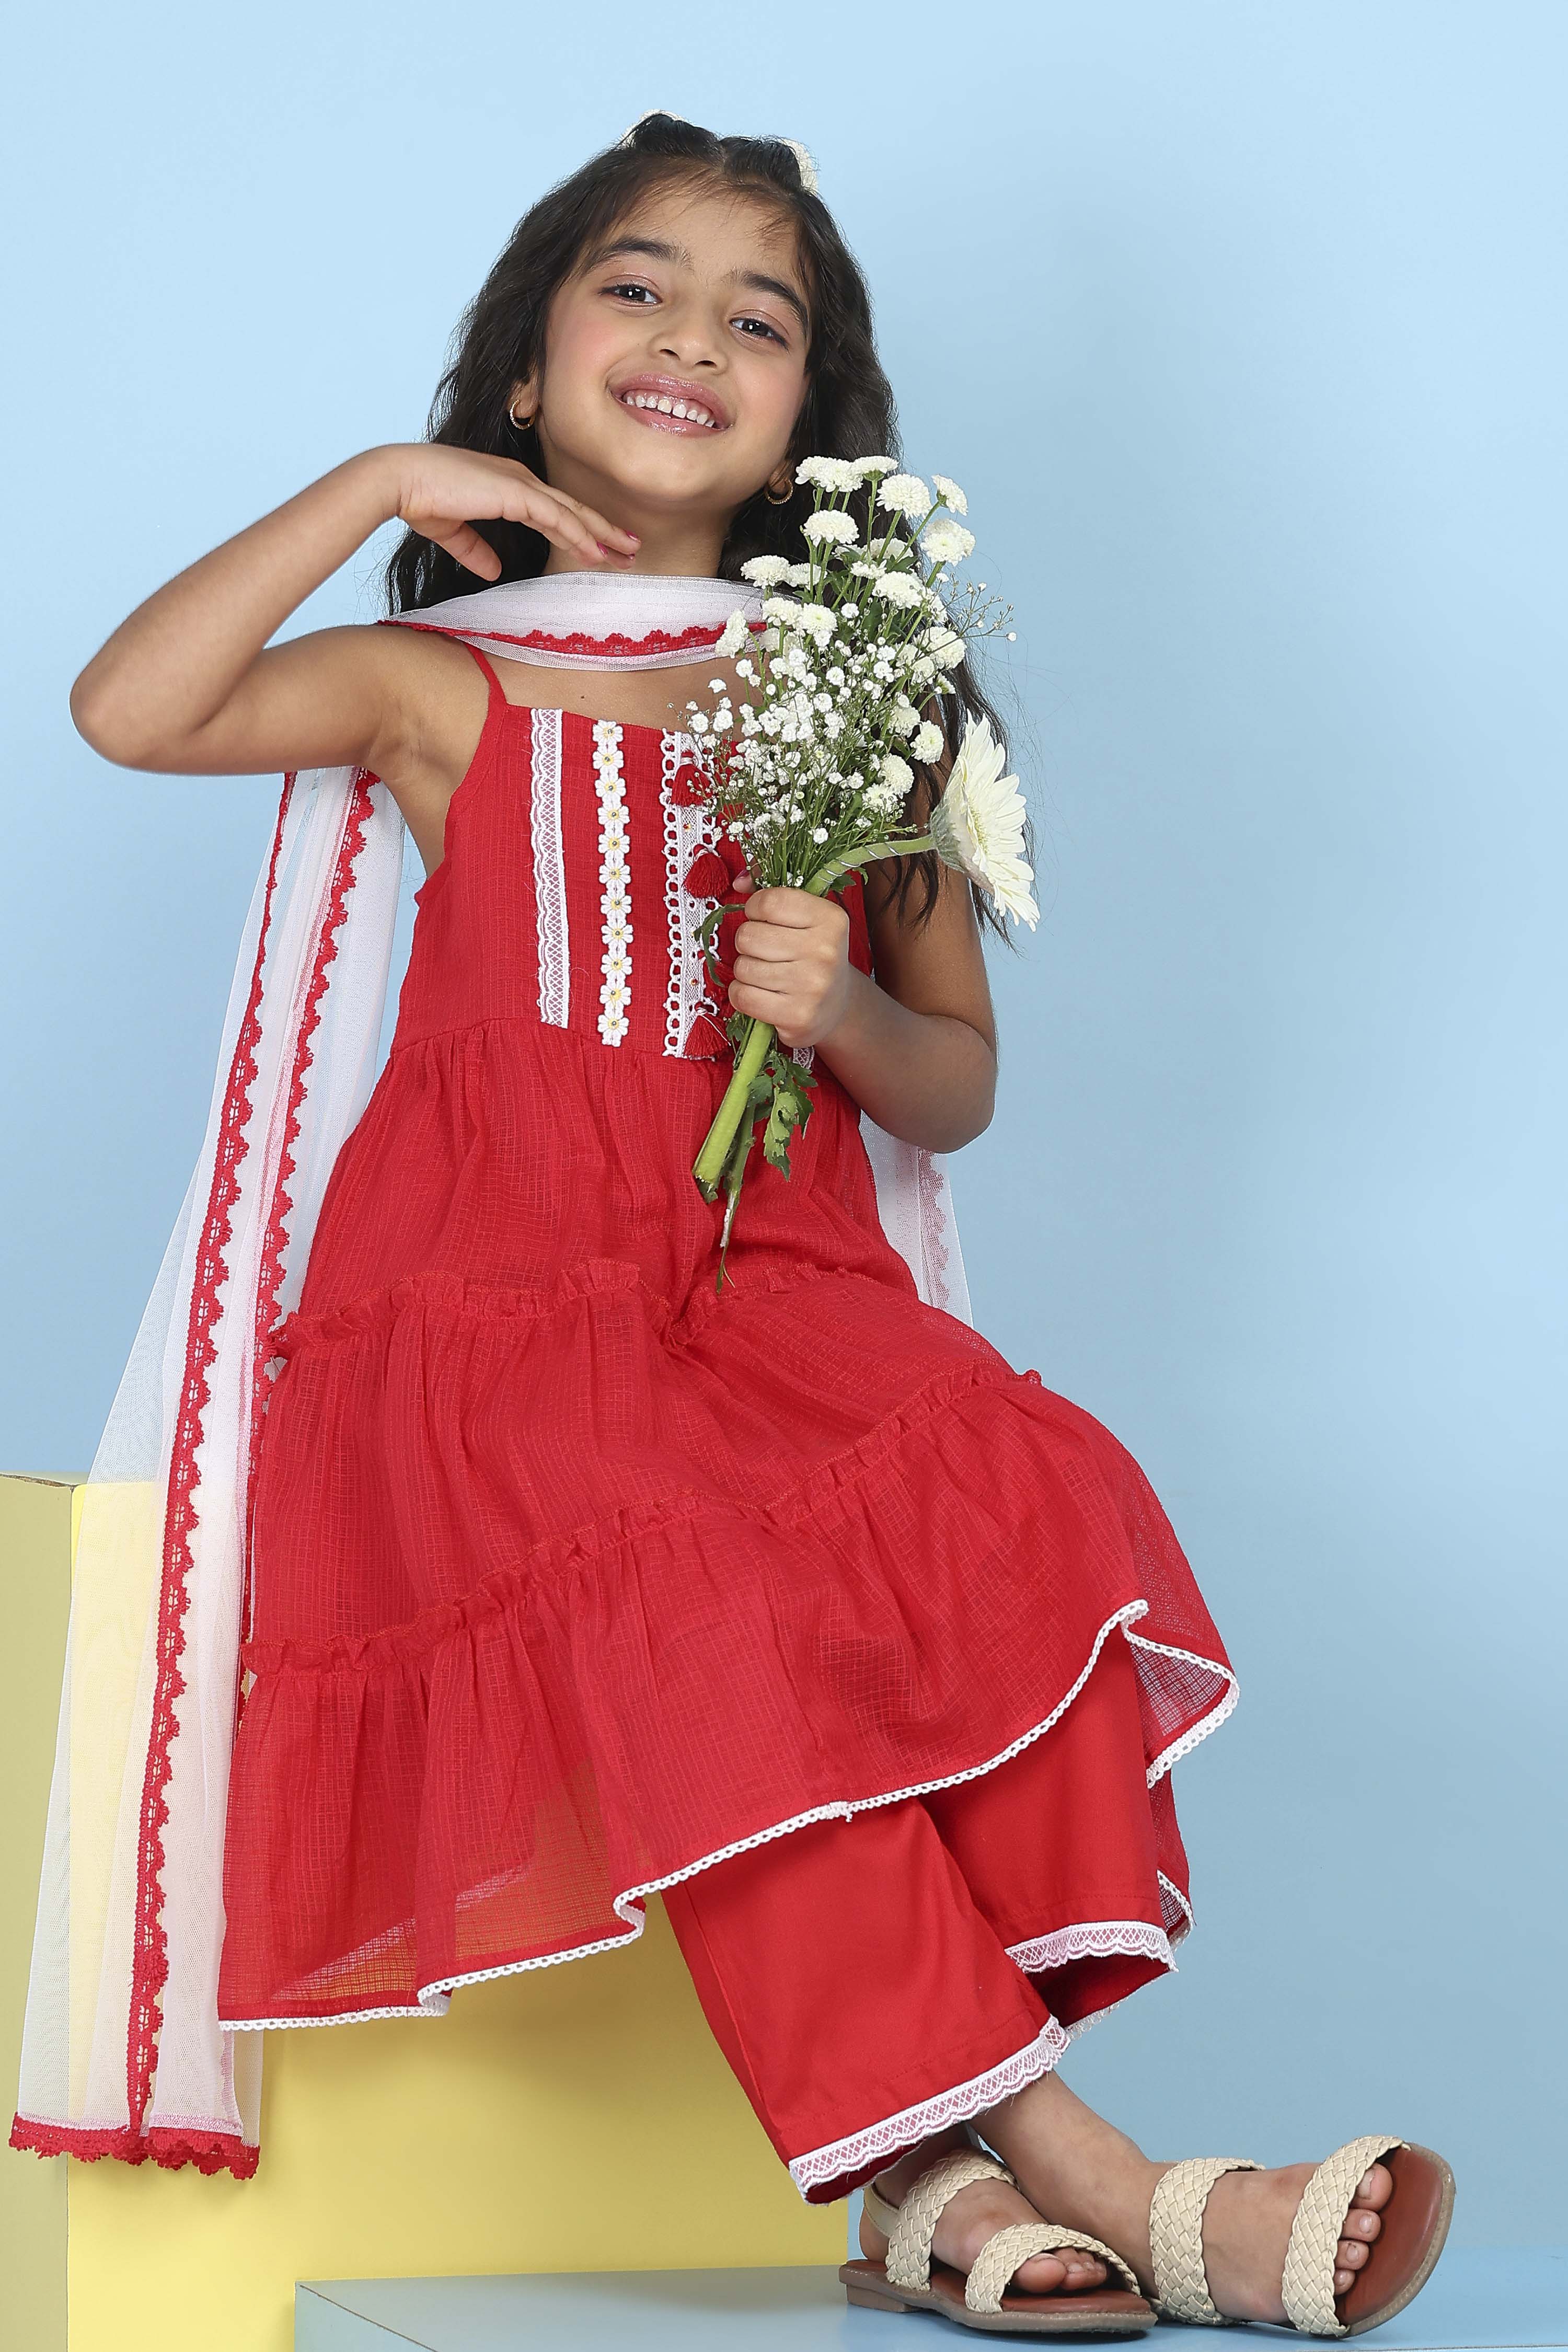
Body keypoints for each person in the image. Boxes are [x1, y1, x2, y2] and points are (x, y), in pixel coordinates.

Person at [24, 114, 1451, 2337]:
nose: (693, 334)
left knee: (1023, 1483)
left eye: (758, 317)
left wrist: (853, 1004)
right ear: (526, 369)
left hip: (773, 1297)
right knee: (689, 1585)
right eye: (638, 285)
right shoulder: (452, 685)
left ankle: (926, 2192)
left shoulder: (856, 705)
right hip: (488, 1327)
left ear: (811, 423)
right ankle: (1094, 2171)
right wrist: (367, 495)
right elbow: (134, 707)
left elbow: (956, 1081)